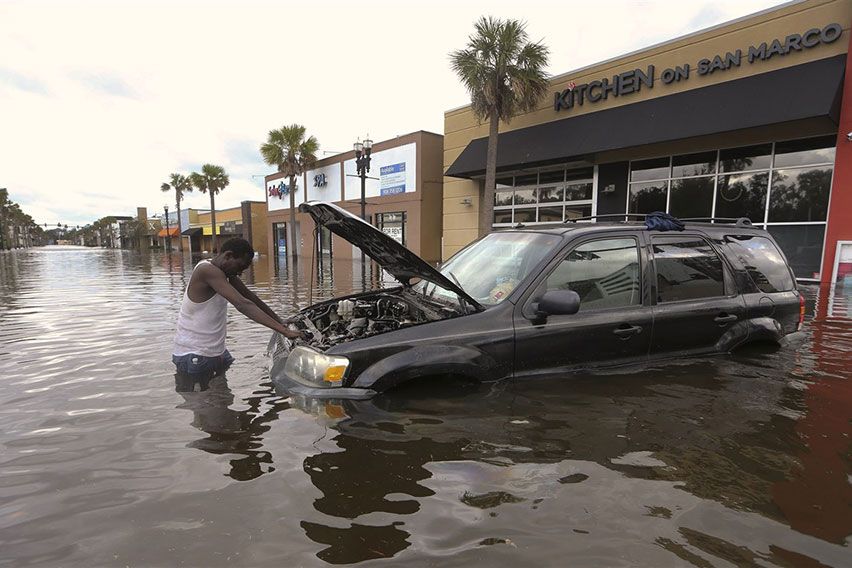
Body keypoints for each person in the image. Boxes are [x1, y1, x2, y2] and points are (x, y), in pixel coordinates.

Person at [172, 237, 301, 379]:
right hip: (195, 355)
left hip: (215, 352)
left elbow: (250, 298)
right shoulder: (207, 271)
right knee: (203, 401)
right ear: (228, 256)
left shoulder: (226, 274)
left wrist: (279, 321)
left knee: (224, 399)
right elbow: (242, 304)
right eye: (240, 267)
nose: (239, 273)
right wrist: (283, 331)